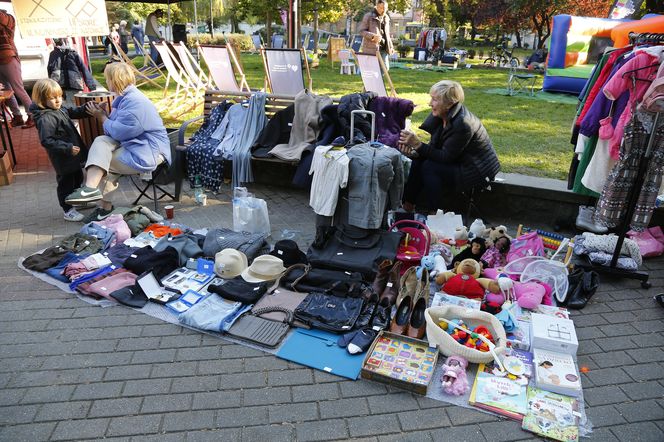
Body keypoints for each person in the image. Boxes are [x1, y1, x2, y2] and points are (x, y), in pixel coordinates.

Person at [65, 63, 170, 220]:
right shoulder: (125, 98)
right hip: (137, 145)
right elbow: (113, 131)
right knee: (101, 142)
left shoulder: (134, 102)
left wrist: (102, 117)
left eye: (108, 79)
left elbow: (120, 132)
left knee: (103, 162)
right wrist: (104, 114)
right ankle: (94, 195)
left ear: (114, 80)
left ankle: (98, 200)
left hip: (150, 151)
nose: (107, 82)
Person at [398, 80, 500, 212]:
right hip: (458, 159)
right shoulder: (443, 114)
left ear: (449, 103)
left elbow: (445, 157)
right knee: (419, 161)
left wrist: (418, 144)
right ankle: (408, 205)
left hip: (475, 169)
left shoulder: (463, 123)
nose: (430, 103)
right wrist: (414, 152)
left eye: (435, 100)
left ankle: (433, 213)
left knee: (430, 167)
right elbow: (434, 149)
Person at [29, 79, 96, 222]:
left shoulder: (58, 109)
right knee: (66, 183)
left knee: (78, 178)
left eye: (59, 96)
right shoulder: (45, 118)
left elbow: (74, 111)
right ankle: (68, 210)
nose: (58, 100)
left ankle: (77, 201)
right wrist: (67, 147)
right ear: (42, 99)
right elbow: (47, 140)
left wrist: (89, 107)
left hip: (73, 155)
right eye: (53, 98)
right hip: (63, 158)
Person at [0, 8, 34, 128]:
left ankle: (33, 115)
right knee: (6, 92)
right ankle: (17, 116)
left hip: (9, 58)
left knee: (18, 89)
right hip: (2, 59)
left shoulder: (8, 18)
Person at [47, 39, 97, 107]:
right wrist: (92, 86)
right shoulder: (56, 54)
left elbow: (49, 70)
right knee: (71, 106)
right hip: (67, 85)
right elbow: (83, 68)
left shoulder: (71, 53)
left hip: (65, 85)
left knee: (66, 106)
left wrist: (92, 86)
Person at [359, 0, 394, 69]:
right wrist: (372, 36)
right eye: (381, 8)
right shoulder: (368, 16)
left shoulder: (386, 18)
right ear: (376, 7)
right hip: (372, 48)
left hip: (384, 48)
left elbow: (387, 34)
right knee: (372, 69)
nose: (383, 10)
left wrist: (391, 46)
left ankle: (380, 79)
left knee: (385, 68)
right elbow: (361, 31)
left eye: (385, 8)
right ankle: (376, 79)